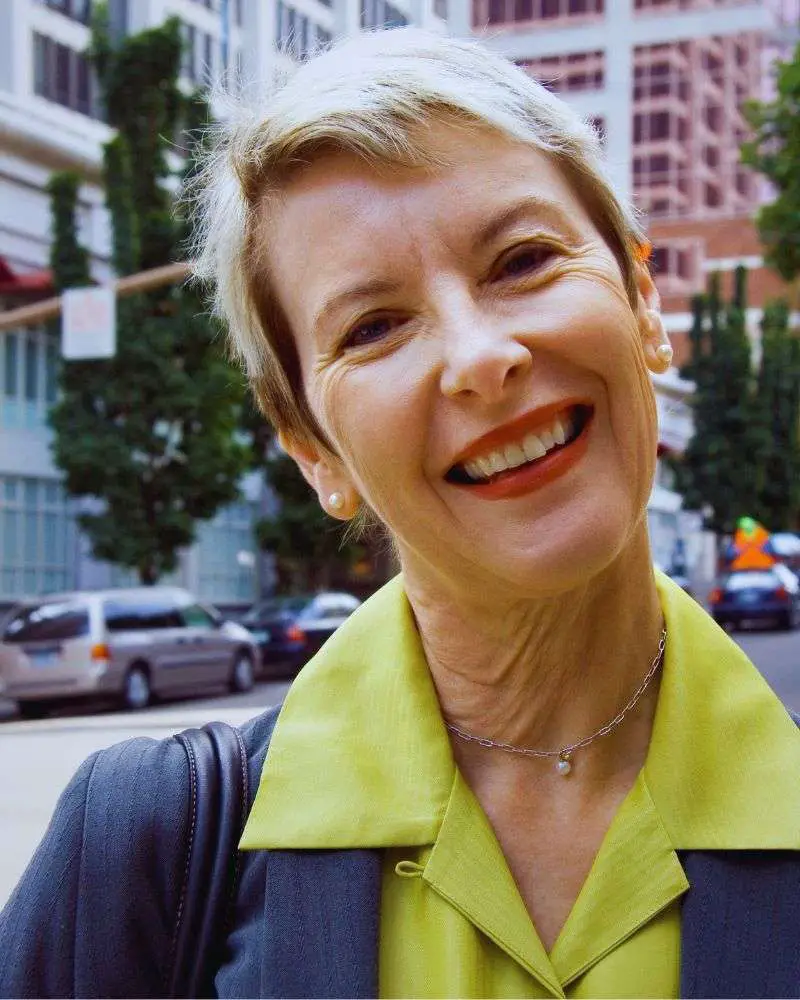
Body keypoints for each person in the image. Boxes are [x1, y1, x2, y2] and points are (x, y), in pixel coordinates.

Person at [3, 27, 800, 999]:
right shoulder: (140, 846)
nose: (477, 357)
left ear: (641, 300)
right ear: (311, 449)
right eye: (373, 326)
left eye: (520, 260)